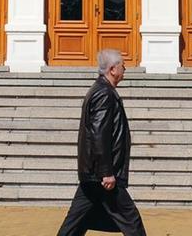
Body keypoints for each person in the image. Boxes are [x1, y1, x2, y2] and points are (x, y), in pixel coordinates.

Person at [56, 49, 147, 236]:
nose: (125, 68)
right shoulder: (104, 94)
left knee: (76, 222)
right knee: (131, 221)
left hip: (93, 174)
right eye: (122, 64)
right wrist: (107, 172)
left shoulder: (101, 90)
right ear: (113, 69)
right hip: (101, 176)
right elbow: (99, 135)